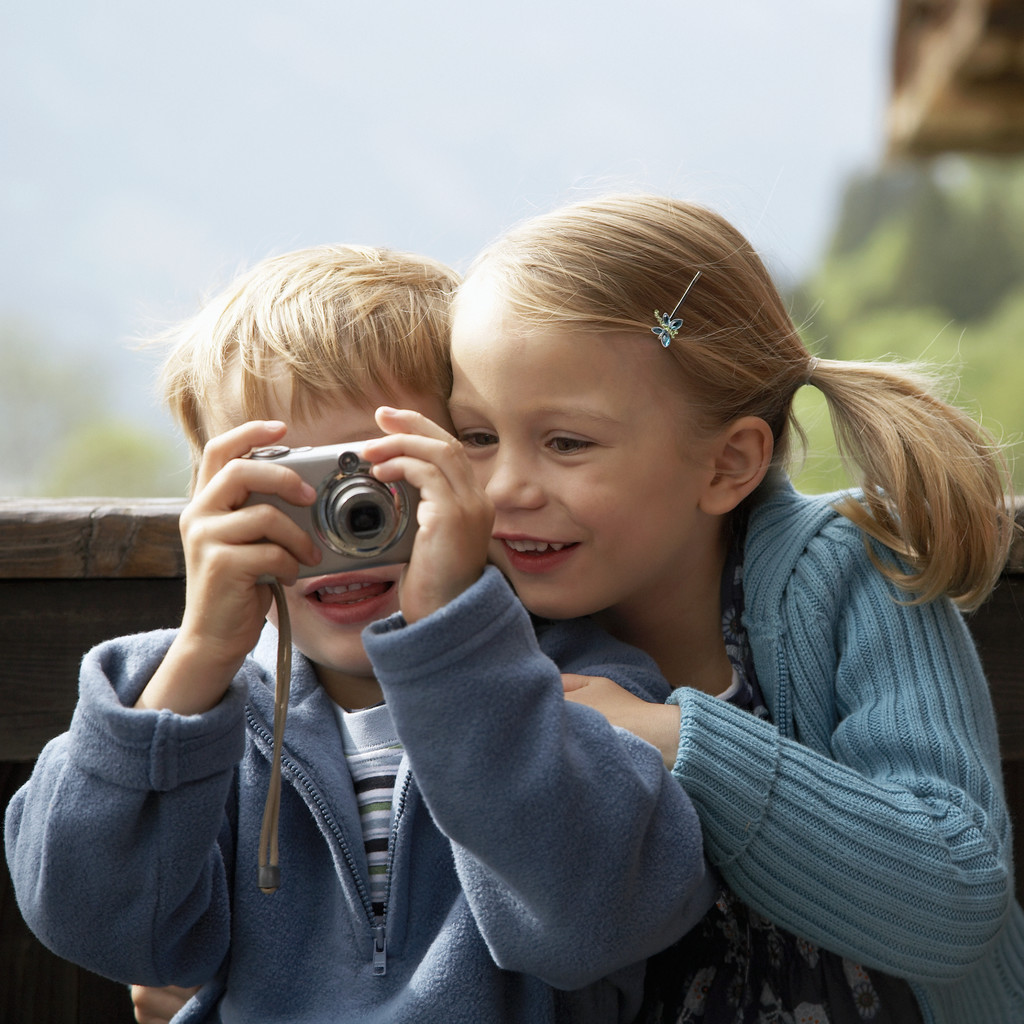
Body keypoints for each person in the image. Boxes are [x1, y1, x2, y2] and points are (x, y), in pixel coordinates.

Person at [4, 243, 717, 1023]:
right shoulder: (176, 703)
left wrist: (455, 641)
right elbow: (96, 926)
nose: (338, 525)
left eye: (379, 477)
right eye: (283, 483)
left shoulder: (578, 692)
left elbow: (594, 926)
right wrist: (202, 650)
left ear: (470, 476)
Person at [442, 192, 1024, 1023]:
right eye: (476, 437)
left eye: (566, 442)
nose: (505, 489)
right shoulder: (493, 631)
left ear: (728, 464)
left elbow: (954, 898)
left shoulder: (852, 575)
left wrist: (680, 738)